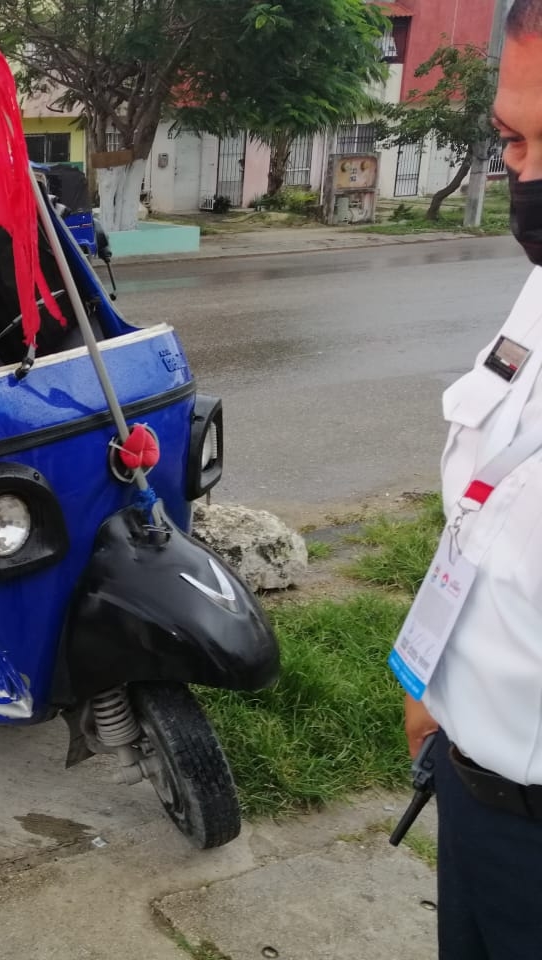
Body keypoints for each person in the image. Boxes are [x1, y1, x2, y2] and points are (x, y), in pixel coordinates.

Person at [401, 5, 542, 957]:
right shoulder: (538, 292)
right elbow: (487, 504)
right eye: (515, 140)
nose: (528, 175)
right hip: (470, 791)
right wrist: (430, 686)